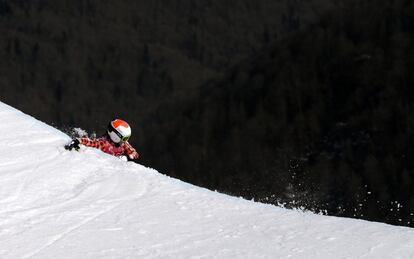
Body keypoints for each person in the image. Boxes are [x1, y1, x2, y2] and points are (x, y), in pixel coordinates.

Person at [65, 119, 139, 161]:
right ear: (116, 136)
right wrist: (78, 141)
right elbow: (91, 143)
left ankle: (85, 135)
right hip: (106, 160)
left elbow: (129, 148)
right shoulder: (104, 144)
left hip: (115, 160)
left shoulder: (122, 143)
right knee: (90, 140)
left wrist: (132, 153)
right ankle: (81, 134)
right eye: (125, 138)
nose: (126, 141)